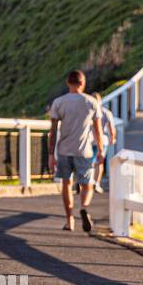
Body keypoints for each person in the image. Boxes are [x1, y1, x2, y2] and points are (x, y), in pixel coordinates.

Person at [48, 70, 104, 232]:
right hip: (84, 151)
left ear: (68, 83)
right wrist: (100, 150)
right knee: (87, 185)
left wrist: (51, 155)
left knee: (66, 184)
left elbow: (53, 131)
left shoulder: (58, 102)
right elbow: (98, 131)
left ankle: (69, 220)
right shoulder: (91, 102)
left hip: (64, 150)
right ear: (83, 83)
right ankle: (84, 207)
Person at [89, 91, 117, 192]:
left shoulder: (88, 112)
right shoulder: (106, 113)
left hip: (89, 140)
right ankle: (96, 183)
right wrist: (112, 138)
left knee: (89, 163)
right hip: (102, 140)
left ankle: (89, 182)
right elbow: (111, 128)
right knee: (99, 163)